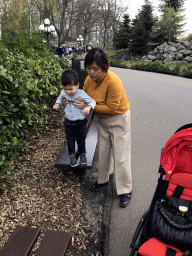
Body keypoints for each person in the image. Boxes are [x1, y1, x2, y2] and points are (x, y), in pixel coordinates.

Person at [71, 48, 132, 208]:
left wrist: (89, 106)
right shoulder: (89, 80)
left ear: (104, 67)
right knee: (104, 151)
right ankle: (103, 180)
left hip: (118, 118)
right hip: (102, 120)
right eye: (89, 68)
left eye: (96, 69)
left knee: (121, 154)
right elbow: (85, 97)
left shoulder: (113, 81)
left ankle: (125, 189)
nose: (91, 72)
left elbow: (111, 108)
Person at [53, 70, 96, 167]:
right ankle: (72, 156)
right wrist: (57, 104)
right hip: (69, 122)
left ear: (77, 85)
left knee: (81, 140)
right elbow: (59, 99)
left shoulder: (81, 94)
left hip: (80, 122)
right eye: (65, 89)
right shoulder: (63, 93)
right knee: (70, 140)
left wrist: (88, 107)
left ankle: (82, 154)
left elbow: (93, 102)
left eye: (70, 89)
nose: (68, 92)